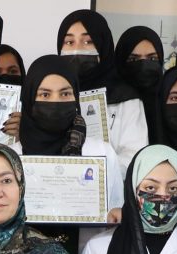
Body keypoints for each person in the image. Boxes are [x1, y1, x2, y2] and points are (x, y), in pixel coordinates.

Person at [9, 55, 124, 237]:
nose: (56, 102)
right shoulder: (10, 158)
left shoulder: (101, 153)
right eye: (44, 94)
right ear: (30, 99)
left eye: (65, 94)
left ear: (76, 98)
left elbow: (116, 212)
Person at [57, 10, 150, 177]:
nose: (77, 49)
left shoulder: (126, 97)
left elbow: (134, 158)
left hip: (110, 196)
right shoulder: (50, 93)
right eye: (69, 42)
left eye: (88, 41)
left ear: (103, 45)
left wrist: (90, 173)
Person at [115, 26, 166, 143]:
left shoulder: (171, 100)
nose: (144, 66)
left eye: (152, 59)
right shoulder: (110, 103)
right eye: (133, 59)